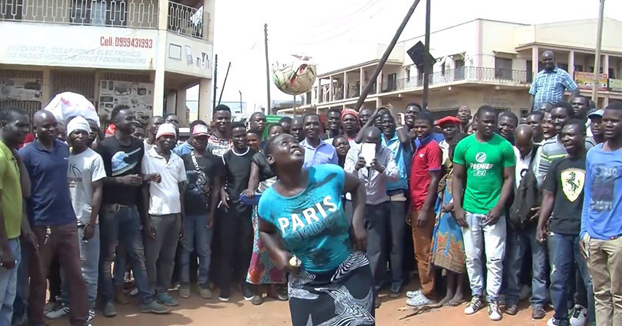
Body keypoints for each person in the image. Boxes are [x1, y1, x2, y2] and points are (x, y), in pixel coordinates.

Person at [257, 133, 373, 326]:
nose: (294, 144)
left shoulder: (329, 174)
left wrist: (357, 222)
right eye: (285, 143)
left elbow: (358, 186)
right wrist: (278, 253)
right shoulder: (268, 201)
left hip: (350, 272)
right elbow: (265, 231)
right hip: (306, 281)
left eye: (295, 141)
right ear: (271, 158)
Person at [96, 107, 168, 316]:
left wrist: (146, 178)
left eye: (133, 117)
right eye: (127, 118)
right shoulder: (105, 146)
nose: (133, 120)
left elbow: (138, 176)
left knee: (138, 255)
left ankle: (146, 299)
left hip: (132, 210)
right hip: (110, 210)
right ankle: (107, 300)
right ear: (115, 122)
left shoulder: (138, 145)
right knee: (108, 257)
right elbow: (98, 180)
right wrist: (121, 180)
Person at [20, 110, 89, 326]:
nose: (51, 129)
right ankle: (36, 320)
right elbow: (23, 193)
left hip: (67, 221)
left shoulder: (63, 148)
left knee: (76, 275)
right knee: (40, 278)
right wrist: (27, 226)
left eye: (54, 125)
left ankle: (80, 320)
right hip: (41, 223)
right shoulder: (27, 154)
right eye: (45, 126)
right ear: (35, 130)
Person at [452, 105, 516, 321]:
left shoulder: (504, 146)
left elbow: (509, 179)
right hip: (469, 210)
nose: (490, 125)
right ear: (476, 121)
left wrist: (499, 207)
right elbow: (458, 178)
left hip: (494, 213)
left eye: (493, 122)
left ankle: (493, 299)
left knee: (495, 259)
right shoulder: (464, 145)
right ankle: (477, 295)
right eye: (486, 121)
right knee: (472, 257)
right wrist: (458, 207)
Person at [46, 117, 106, 322]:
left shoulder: (94, 158)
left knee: (87, 270)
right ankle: (66, 303)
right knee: (65, 267)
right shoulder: (63, 156)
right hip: (64, 222)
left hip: (84, 221)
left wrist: (91, 222)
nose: (80, 136)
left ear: (89, 135)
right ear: (68, 135)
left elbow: (98, 191)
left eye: (84, 132)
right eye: (75, 132)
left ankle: (87, 307)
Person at [533, 120, 593, 326]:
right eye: (564, 135)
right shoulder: (557, 164)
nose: (566, 138)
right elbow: (548, 196)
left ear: (583, 136)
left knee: (589, 281)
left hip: (584, 232)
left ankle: (592, 320)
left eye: (572, 134)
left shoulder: (591, 163)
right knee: (558, 278)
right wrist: (541, 224)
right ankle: (560, 318)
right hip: (559, 231)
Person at [345, 126, 398, 307]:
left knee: (375, 249)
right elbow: (345, 176)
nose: (371, 146)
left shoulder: (386, 152)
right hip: (355, 205)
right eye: (368, 142)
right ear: (362, 141)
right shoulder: (353, 151)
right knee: (353, 246)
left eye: (375, 143)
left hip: (377, 204)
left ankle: (371, 290)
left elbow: (395, 175)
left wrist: (380, 168)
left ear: (380, 141)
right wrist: (355, 167)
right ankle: (353, 289)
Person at [581, 102, 622, 326]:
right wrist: (584, 231)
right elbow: (588, 193)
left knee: (619, 297)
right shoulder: (593, 154)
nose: (608, 124)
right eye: (605, 120)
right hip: (594, 237)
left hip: (617, 238)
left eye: (614, 120)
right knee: (601, 295)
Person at [503, 125, 547, 319]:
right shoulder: (511, 154)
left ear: (533, 140)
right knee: (514, 262)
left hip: (536, 219)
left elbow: (548, 185)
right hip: (516, 218)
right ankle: (512, 299)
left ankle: (538, 303)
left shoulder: (541, 154)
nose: (522, 150)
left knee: (539, 264)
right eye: (519, 145)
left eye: (526, 145)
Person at [141, 123, 186, 307]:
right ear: (157, 138)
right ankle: (149, 293)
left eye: (172, 137)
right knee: (152, 258)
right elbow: (143, 191)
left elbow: (181, 190)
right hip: (156, 215)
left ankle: (163, 291)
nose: (168, 140)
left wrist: (182, 219)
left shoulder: (178, 160)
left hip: (174, 215)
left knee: (169, 257)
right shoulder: (147, 157)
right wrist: (146, 219)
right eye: (164, 137)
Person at [178, 124, 223, 300]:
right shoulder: (182, 159)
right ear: (191, 138)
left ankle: (203, 283)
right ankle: (184, 283)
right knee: (186, 249)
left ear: (208, 139)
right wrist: (180, 214)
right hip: (186, 212)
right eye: (197, 138)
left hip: (205, 213)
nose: (200, 141)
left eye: (204, 138)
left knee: (204, 250)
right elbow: (179, 188)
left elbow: (216, 188)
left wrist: (212, 212)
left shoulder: (214, 160)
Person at [244, 126, 287, 305]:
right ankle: (257, 290)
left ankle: (273, 288)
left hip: (282, 206)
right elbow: (254, 177)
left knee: (278, 246)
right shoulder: (259, 157)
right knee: (259, 247)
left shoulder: (286, 156)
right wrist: (250, 190)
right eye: (273, 133)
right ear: (268, 136)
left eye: (280, 133)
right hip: (262, 205)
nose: (276, 135)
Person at [405, 112, 442, 307]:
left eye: (423, 127)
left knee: (424, 251)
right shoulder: (420, 145)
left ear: (432, 127)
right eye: (417, 127)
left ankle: (429, 294)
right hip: (416, 204)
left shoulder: (433, 147)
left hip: (424, 206)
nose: (419, 130)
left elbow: (434, 179)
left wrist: (425, 209)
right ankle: (425, 287)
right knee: (419, 250)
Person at [218, 122, 257, 301]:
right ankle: (225, 285)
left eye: (244, 136)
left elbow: (255, 177)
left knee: (245, 248)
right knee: (227, 248)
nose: (241, 139)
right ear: (231, 138)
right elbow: (220, 181)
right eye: (237, 136)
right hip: (229, 209)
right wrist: (222, 192)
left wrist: (250, 190)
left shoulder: (255, 156)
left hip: (247, 208)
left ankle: (245, 284)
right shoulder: (225, 157)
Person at [0, 107, 30, 326]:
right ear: (3, 125)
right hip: (3, 242)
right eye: (19, 125)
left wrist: (19, 160)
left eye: (26, 126)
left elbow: (25, 192)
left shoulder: (11, 155)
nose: (25, 130)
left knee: (8, 300)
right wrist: (4, 248)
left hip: (14, 237)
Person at [380, 108, 412, 297]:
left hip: (398, 194)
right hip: (377, 195)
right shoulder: (377, 141)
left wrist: (394, 116)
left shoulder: (400, 140)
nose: (386, 125)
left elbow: (406, 140)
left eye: (389, 122)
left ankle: (397, 280)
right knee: (381, 241)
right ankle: (384, 277)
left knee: (397, 241)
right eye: (383, 123)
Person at [431, 136, 466, 307]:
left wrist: (452, 205)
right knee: (447, 258)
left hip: (457, 218)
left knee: (459, 257)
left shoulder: (465, 173)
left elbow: (464, 192)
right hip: (445, 219)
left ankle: (459, 292)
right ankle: (449, 292)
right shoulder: (449, 171)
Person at [536, 102, 595, 186]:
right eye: (553, 118)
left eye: (560, 117)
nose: (556, 121)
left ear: (571, 117)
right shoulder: (548, 146)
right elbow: (542, 178)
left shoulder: (587, 143)